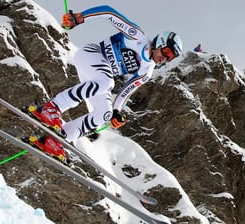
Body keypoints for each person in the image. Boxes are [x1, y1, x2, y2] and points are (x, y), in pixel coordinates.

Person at [25, 5, 183, 161]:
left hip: (97, 76)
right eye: (167, 52)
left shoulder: (146, 71)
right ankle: (51, 108)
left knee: (104, 113)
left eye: (170, 57)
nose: (165, 58)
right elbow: (109, 13)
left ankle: (56, 139)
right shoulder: (137, 37)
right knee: (107, 82)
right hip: (91, 55)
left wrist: (116, 112)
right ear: (160, 42)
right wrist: (79, 18)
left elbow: (125, 92)